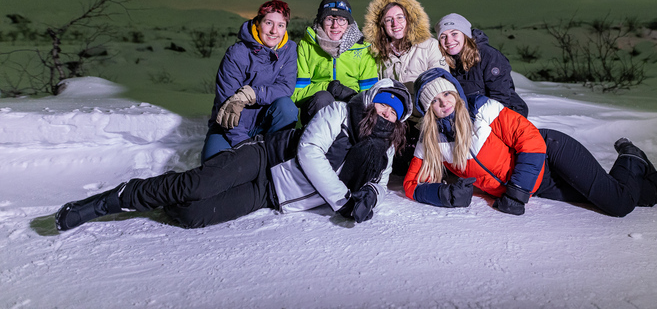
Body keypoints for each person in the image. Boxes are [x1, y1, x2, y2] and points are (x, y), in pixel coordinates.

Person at [55, 79, 413, 231]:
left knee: (193, 215)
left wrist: (370, 196)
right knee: (195, 184)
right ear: (371, 100)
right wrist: (342, 201)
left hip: (273, 194)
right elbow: (308, 152)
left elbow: (377, 181)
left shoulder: (385, 147)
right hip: (266, 157)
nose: (386, 113)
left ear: (398, 119)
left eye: (394, 111)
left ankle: (166, 196)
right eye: (383, 104)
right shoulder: (338, 112)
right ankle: (112, 200)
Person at [403, 68, 657, 217]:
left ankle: (631, 158)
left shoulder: (484, 111)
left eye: (448, 93)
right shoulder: (432, 141)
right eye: (435, 100)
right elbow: (411, 185)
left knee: (619, 205)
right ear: (427, 109)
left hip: (551, 156)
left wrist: (516, 192)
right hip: (540, 186)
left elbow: (531, 141)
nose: (444, 102)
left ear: (457, 95)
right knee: (637, 197)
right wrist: (445, 194)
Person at [201, 0, 299, 162]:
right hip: (230, 125)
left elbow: (285, 87)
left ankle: (275, 150)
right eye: (269, 23)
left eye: (281, 25)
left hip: (265, 124)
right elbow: (226, 103)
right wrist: (244, 146)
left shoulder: (289, 50)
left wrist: (252, 93)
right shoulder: (237, 53)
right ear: (258, 23)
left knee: (286, 107)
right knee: (213, 167)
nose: (274, 31)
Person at [363, 0, 447, 173]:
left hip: (425, 117)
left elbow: (442, 80)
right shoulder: (376, 53)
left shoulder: (429, 46)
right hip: (396, 118)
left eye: (400, 17)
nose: (395, 24)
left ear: (410, 19)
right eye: (389, 19)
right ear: (381, 25)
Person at [292, 0, 378, 125]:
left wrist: (347, 94)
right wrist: (328, 87)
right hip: (317, 110)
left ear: (348, 23)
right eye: (329, 19)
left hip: (351, 110)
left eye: (341, 19)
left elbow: (370, 97)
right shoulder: (306, 47)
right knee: (323, 98)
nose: (335, 25)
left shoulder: (363, 49)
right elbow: (297, 94)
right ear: (321, 21)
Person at [435, 13, 528, 117]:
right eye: (443, 36)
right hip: (471, 117)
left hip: (505, 116)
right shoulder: (441, 61)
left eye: (454, 33)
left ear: (465, 35)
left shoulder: (489, 56)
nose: (449, 41)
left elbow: (500, 98)